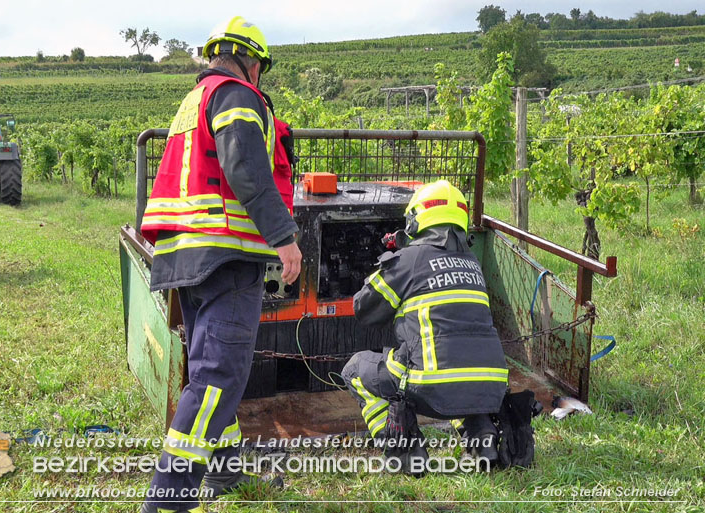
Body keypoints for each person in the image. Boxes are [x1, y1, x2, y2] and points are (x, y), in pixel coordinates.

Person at [139, 16, 301, 513]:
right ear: (252, 61)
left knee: (210, 369)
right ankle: (166, 502)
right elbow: (246, 168)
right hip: (226, 254)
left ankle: (226, 473)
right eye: (260, 67)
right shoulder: (237, 95)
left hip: (190, 255)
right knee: (218, 377)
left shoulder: (194, 101)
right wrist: (284, 238)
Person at [341, 180, 508, 472]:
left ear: (416, 219)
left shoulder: (408, 259)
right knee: (461, 381)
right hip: (491, 384)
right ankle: (484, 442)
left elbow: (363, 308)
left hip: (431, 384)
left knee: (355, 369)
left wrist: (391, 260)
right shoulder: (473, 263)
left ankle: (406, 451)